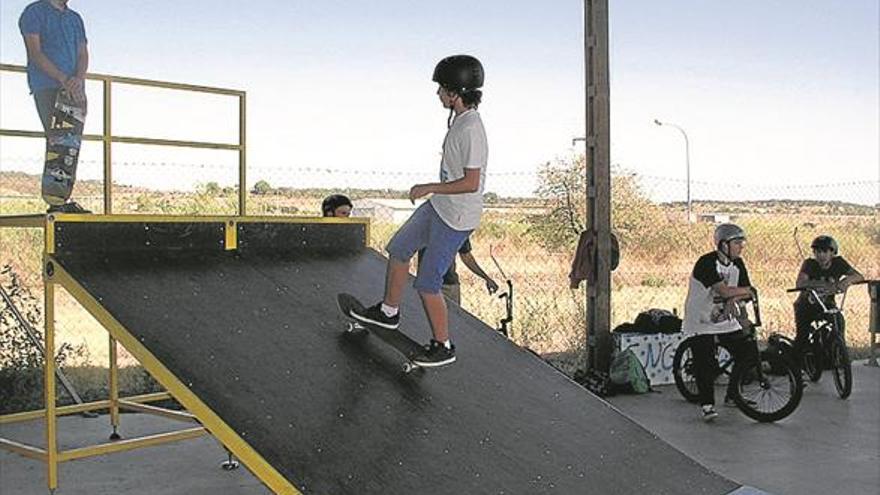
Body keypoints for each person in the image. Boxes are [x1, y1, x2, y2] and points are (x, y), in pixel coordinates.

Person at [347, 54, 488, 367]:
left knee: (427, 283)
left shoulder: (471, 129)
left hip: (456, 218)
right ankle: (388, 312)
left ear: (456, 92)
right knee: (399, 249)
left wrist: (430, 187)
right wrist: (435, 193)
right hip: (439, 207)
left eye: (441, 88)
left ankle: (443, 345)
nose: (438, 94)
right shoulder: (459, 121)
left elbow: (472, 183)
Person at [19, 0, 90, 213]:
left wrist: (78, 79)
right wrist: (62, 78)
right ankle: (55, 202)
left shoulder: (74, 18)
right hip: (48, 86)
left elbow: (83, 53)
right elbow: (35, 52)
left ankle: (62, 199)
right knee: (57, 141)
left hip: (74, 90)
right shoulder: (34, 12)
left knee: (71, 144)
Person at [682, 223, 755, 422]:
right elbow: (725, 290)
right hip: (701, 319)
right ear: (723, 245)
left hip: (724, 318)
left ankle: (734, 394)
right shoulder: (706, 263)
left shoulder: (738, 264)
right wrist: (741, 293)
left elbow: (741, 290)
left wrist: (735, 299)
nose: (741, 247)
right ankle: (707, 404)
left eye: (742, 243)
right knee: (705, 361)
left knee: (746, 352)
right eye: (737, 243)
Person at [792, 235, 863, 360]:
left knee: (838, 321)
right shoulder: (809, 264)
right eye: (817, 252)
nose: (821, 255)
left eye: (825, 251)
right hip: (806, 305)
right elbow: (800, 283)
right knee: (802, 336)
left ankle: (836, 354)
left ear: (833, 253)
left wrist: (846, 281)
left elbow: (858, 276)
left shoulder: (839, 263)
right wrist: (826, 285)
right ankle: (797, 365)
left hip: (826, 305)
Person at [419, 238, 499, 304]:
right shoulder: (424, 224)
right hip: (426, 285)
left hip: (448, 285)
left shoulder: (459, 227)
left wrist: (486, 278)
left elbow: (466, 256)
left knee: (452, 319)